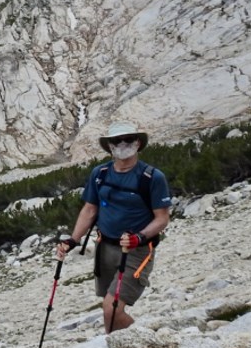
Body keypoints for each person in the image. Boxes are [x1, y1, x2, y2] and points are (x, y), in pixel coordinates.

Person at [55, 122, 171, 332]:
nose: (122, 144)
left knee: (112, 308)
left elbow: (162, 218)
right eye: (117, 140)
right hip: (105, 247)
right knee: (109, 304)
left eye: (128, 139)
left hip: (136, 250)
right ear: (110, 146)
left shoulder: (152, 177)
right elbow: (89, 210)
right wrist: (73, 240)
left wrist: (140, 237)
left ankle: (142, 340)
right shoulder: (99, 174)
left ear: (138, 143)